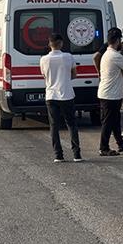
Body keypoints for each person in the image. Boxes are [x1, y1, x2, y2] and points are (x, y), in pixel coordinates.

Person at [40, 33, 81, 163]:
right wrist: (65, 79)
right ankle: (76, 154)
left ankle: (58, 155)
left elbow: (44, 76)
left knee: (54, 126)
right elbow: (74, 75)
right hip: (67, 94)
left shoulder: (44, 59)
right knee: (71, 124)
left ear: (49, 44)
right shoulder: (68, 57)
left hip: (51, 95)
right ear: (61, 43)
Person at [97, 28, 123, 156]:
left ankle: (120, 143)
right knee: (108, 122)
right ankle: (103, 147)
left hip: (108, 93)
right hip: (111, 94)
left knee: (115, 120)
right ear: (118, 40)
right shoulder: (116, 55)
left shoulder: (106, 54)